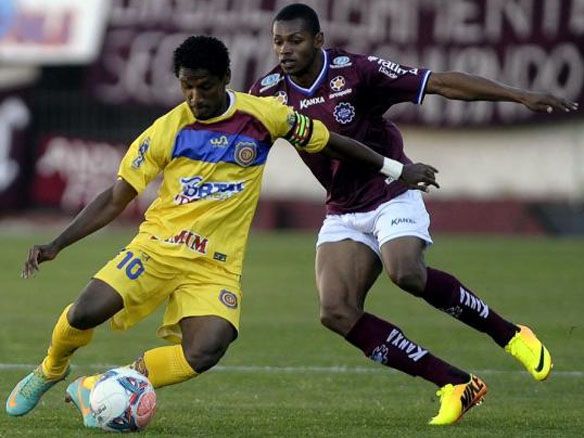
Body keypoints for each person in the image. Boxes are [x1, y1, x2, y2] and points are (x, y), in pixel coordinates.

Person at [5, 35, 439, 428]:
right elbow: (117, 195)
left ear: (226, 79)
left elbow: (332, 141)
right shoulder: (167, 130)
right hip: (157, 249)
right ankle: (50, 370)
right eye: (187, 87)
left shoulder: (264, 116)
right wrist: (57, 243)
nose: (195, 97)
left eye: (205, 87)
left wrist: (397, 169)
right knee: (85, 312)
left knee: (208, 349)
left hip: (215, 266)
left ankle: (104, 386)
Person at [249, 3, 579, 426]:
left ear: (318, 41)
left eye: (295, 41)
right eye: (278, 41)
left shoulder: (356, 72)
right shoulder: (268, 91)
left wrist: (518, 95)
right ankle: (455, 383)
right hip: (344, 209)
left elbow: (440, 83)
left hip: (392, 192)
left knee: (405, 271)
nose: (285, 50)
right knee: (336, 312)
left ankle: (511, 334)